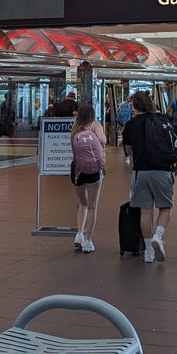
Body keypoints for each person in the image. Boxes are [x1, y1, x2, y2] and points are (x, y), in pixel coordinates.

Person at [121, 91, 177, 263]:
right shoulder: (163, 120)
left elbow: (129, 151)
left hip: (141, 172)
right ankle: (158, 235)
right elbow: (176, 144)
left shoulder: (131, 125)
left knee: (145, 211)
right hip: (163, 170)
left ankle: (148, 251)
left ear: (136, 106)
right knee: (165, 207)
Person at [69, 103, 106, 254]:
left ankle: (79, 234)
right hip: (93, 170)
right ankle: (88, 240)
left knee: (82, 203)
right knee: (92, 206)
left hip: (77, 170)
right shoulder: (95, 125)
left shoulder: (75, 128)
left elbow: (73, 149)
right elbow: (103, 141)